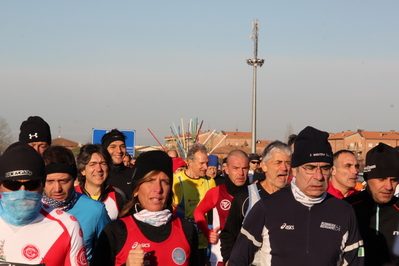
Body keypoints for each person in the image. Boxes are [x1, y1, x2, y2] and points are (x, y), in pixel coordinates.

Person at [228, 126, 364, 266]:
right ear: (294, 169)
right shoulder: (266, 207)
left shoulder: (344, 211)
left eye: (324, 168)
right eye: (310, 168)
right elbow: (238, 260)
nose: (318, 176)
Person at [91, 150, 199, 266]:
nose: (158, 189)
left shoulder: (186, 229)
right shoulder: (116, 230)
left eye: (165, 182)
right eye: (150, 181)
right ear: (136, 189)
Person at [0, 142, 87, 265]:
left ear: (42, 185)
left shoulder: (68, 225)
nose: (22, 192)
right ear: (1, 186)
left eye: (32, 185)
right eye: (12, 185)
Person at [220, 141, 291, 264]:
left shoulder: (296, 198)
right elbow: (229, 234)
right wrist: (229, 260)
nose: (284, 168)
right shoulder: (245, 196)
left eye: (288, 163)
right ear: (264, 166)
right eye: (278, 163)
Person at [42, 145, 111, 261]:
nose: (57, 188)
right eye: (50, 181)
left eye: (64, 181)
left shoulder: (96, 210)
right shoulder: (31, 208)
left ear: (74, 179)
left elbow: (108, 255)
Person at [345, 142, 399, 266]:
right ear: (367, 178)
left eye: (394, 180)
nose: (389, 186)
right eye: (381, 179)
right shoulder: (347, 208)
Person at [194, 150, 249, 266]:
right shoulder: (217, 192)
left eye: (244, 168)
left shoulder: (254, 191)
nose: (241, 173)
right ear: (226, 169)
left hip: (248, 254)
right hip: (220, 256)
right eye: (236, 168)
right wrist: (207, 232)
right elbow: (198, 212)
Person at [173, 143, 216, 266]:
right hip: (181, 242)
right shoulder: (175, 181)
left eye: (206, 163)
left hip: (203, 243)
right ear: (189, 162)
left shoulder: (210, 182)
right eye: (201, 163)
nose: (205, 167)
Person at [75, 144, 126, 220]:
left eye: (103, 164)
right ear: (82, 170)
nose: (99, 169)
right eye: (92, 164)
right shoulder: (72, 195)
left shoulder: (118, 196)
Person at [101, 129, 134, 200]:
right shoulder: (99, 175)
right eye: (113, 147)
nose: (119, 151)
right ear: (105, 150)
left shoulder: (134, 174)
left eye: (122, 146)